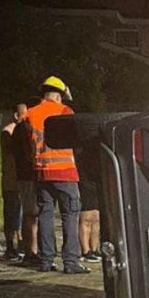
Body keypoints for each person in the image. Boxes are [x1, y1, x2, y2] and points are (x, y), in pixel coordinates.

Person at [23, 76, 90, 274]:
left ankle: (46, 260)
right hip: (65, 173)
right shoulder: (65, 112)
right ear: (59, 96)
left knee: (45, 215)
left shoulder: (31, 113)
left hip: (42, 172)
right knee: (70, 215)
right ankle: (70, 262)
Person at [11, 103, 40, 263]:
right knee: (32, 215)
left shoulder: (19, 129)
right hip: (29, 175)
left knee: (32, 215)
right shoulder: (24, 129)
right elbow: (29, 153)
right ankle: (31, 252)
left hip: (25, 175)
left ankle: (32, 251)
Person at [0, 104, 27, 259]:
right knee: (11, 214)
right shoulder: (8, 132)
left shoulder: (22, 132)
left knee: (22, 214)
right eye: (23, 114)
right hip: (11, 181)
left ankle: (22, 244)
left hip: (22, 181)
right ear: (17, 115)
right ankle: (11, 246)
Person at [77, 145, 102, 263]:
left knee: (96, 218)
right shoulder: (80, 150)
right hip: (84, 180)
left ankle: (94, 248)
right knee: (87, 217)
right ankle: (86, 250)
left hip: (96, 181)